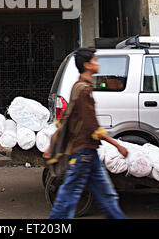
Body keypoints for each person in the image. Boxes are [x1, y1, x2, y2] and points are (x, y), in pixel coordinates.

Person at [47, 47, 128, 219]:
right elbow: (93, 127)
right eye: (94, 60)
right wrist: (117, 145)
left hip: (87, 152)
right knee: (69, 195)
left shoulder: (78, 87)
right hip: (83, 152)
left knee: (106, 196)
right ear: (86, 65)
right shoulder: (84, 91)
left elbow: (70, 120)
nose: (97, 63)